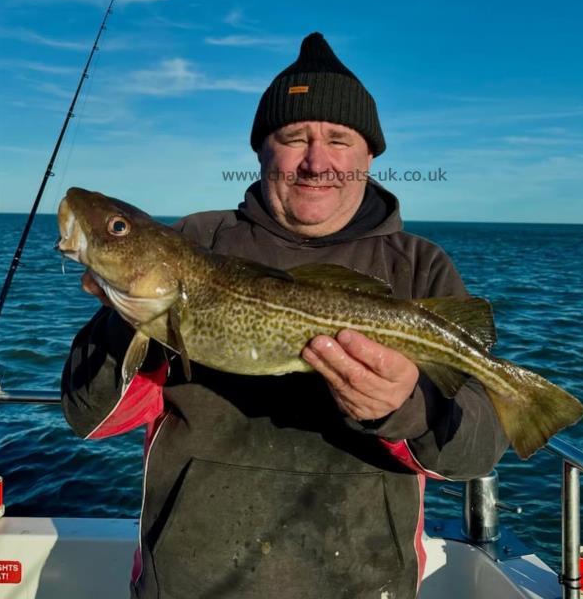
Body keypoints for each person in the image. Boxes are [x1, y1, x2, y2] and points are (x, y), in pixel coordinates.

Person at [61, 32, 508, 599]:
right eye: (293, 137)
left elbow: (479, 449)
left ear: (370, 154)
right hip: (190, 582)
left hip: (365, 583)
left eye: (340, 140)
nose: (317, 161)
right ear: (261, 150)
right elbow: (91, 419)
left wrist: (407, 408)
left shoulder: (418, 266)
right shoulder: (196, 239)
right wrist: (122, 316)